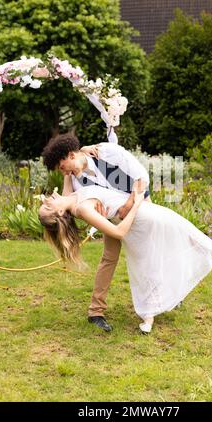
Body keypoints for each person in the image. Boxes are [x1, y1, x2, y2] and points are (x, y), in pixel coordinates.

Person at [39, 169, 212, 334]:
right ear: (58, 213)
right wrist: (137, 204)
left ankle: (151, 312)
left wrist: (81, 152)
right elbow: (119, 232)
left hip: (138, 213)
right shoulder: (82, 209)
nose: (46, 200)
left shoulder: (68, 197)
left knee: (161, 249)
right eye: (46, 206)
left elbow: (68, 166)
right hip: (139, 217)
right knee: (176, 237)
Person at [41, 134, 151, 332]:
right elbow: (68, 206)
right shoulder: (73, 182)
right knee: (109, 258)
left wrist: (130, 203)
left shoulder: (100, 154)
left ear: (69, 155)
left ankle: (163, 297)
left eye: (60, 165)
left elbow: (135, 174)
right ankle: (96, 312)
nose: (61, 170)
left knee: (150, 252)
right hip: (112, 217)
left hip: (137, 201)